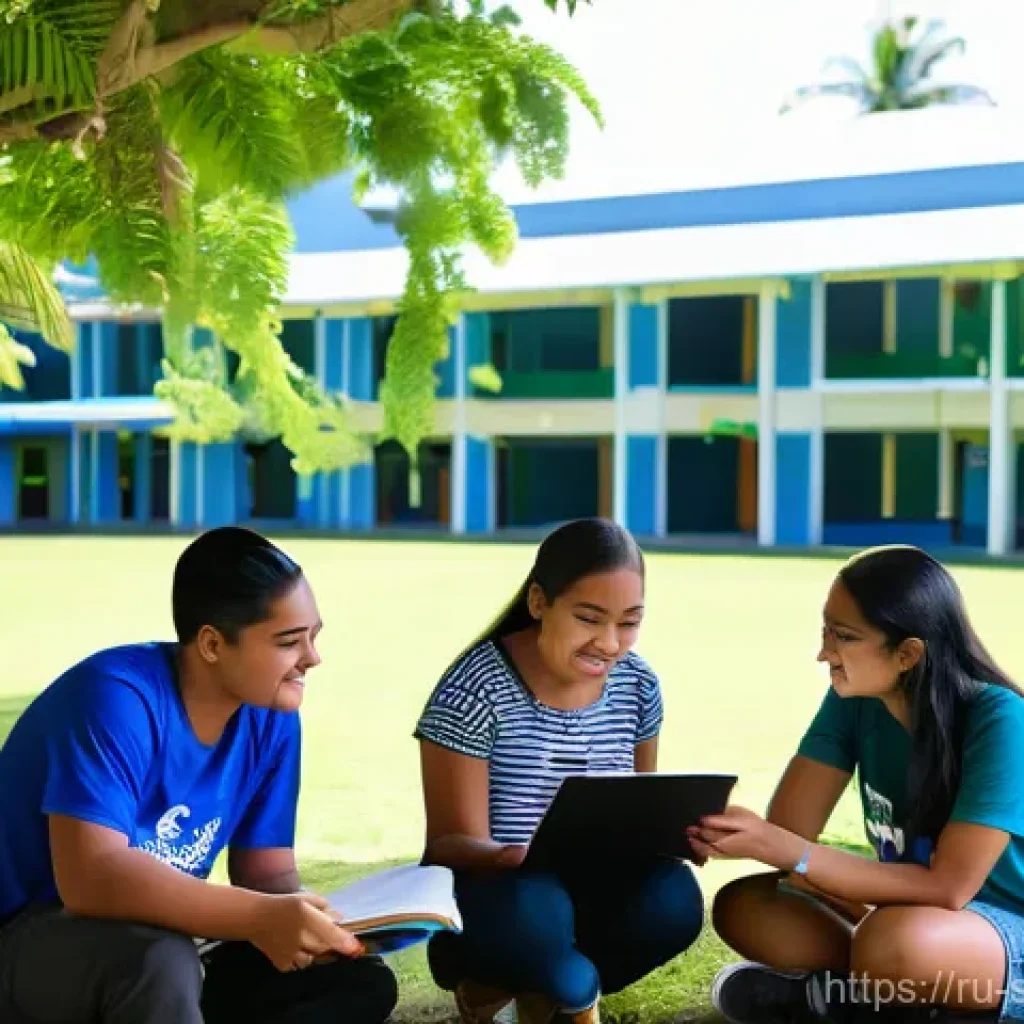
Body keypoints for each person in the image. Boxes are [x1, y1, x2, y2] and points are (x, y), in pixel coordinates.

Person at [0, 526, 398, 1024]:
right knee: (159, 961)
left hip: (167, 942)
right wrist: (256, 917)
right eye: (288, 642)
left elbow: (267, 874)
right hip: (30, 936)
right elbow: (90, 879)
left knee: (355, 982)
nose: (311, 659)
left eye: (314, 637)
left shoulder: (270, 714)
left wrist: (316, 928)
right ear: (211, 643)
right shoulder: (114, 698)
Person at [687, 545, 1024, 1024]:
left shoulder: (999, 717)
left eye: (843, 636)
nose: (824, 651)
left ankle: (857, 997)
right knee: (749, 905)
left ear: (908, 654)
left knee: (896, 942)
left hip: (1001, 924)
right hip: (913, 915)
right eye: (826, 629)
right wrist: (739, 835)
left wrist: (790, 851)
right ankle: (884, 998)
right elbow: (791, 834)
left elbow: (950, 888)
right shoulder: (857, 698)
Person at [414, 517, 705, 1024]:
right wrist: (515, 854)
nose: (611, 643)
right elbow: (446, 845)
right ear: (539, 603)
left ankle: (546, 987)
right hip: (502, 894)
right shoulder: (474, 687)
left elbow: (639, 806)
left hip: (594, 887)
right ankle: (555, 987)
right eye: (589, 618)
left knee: (675, 899)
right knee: (538, 907)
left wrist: (675, 837)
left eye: (629, 621)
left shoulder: (637, 685)